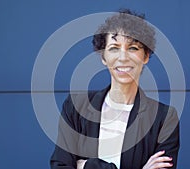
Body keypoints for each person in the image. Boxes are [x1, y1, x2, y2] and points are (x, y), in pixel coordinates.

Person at [50, 9, 180, 169]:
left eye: (133, 48)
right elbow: (60, 165)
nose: (123, 57)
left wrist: (87, 166)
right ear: (103, 57)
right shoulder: (76, 106)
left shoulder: (164, 118)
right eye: (114, 48)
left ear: (145, 56)